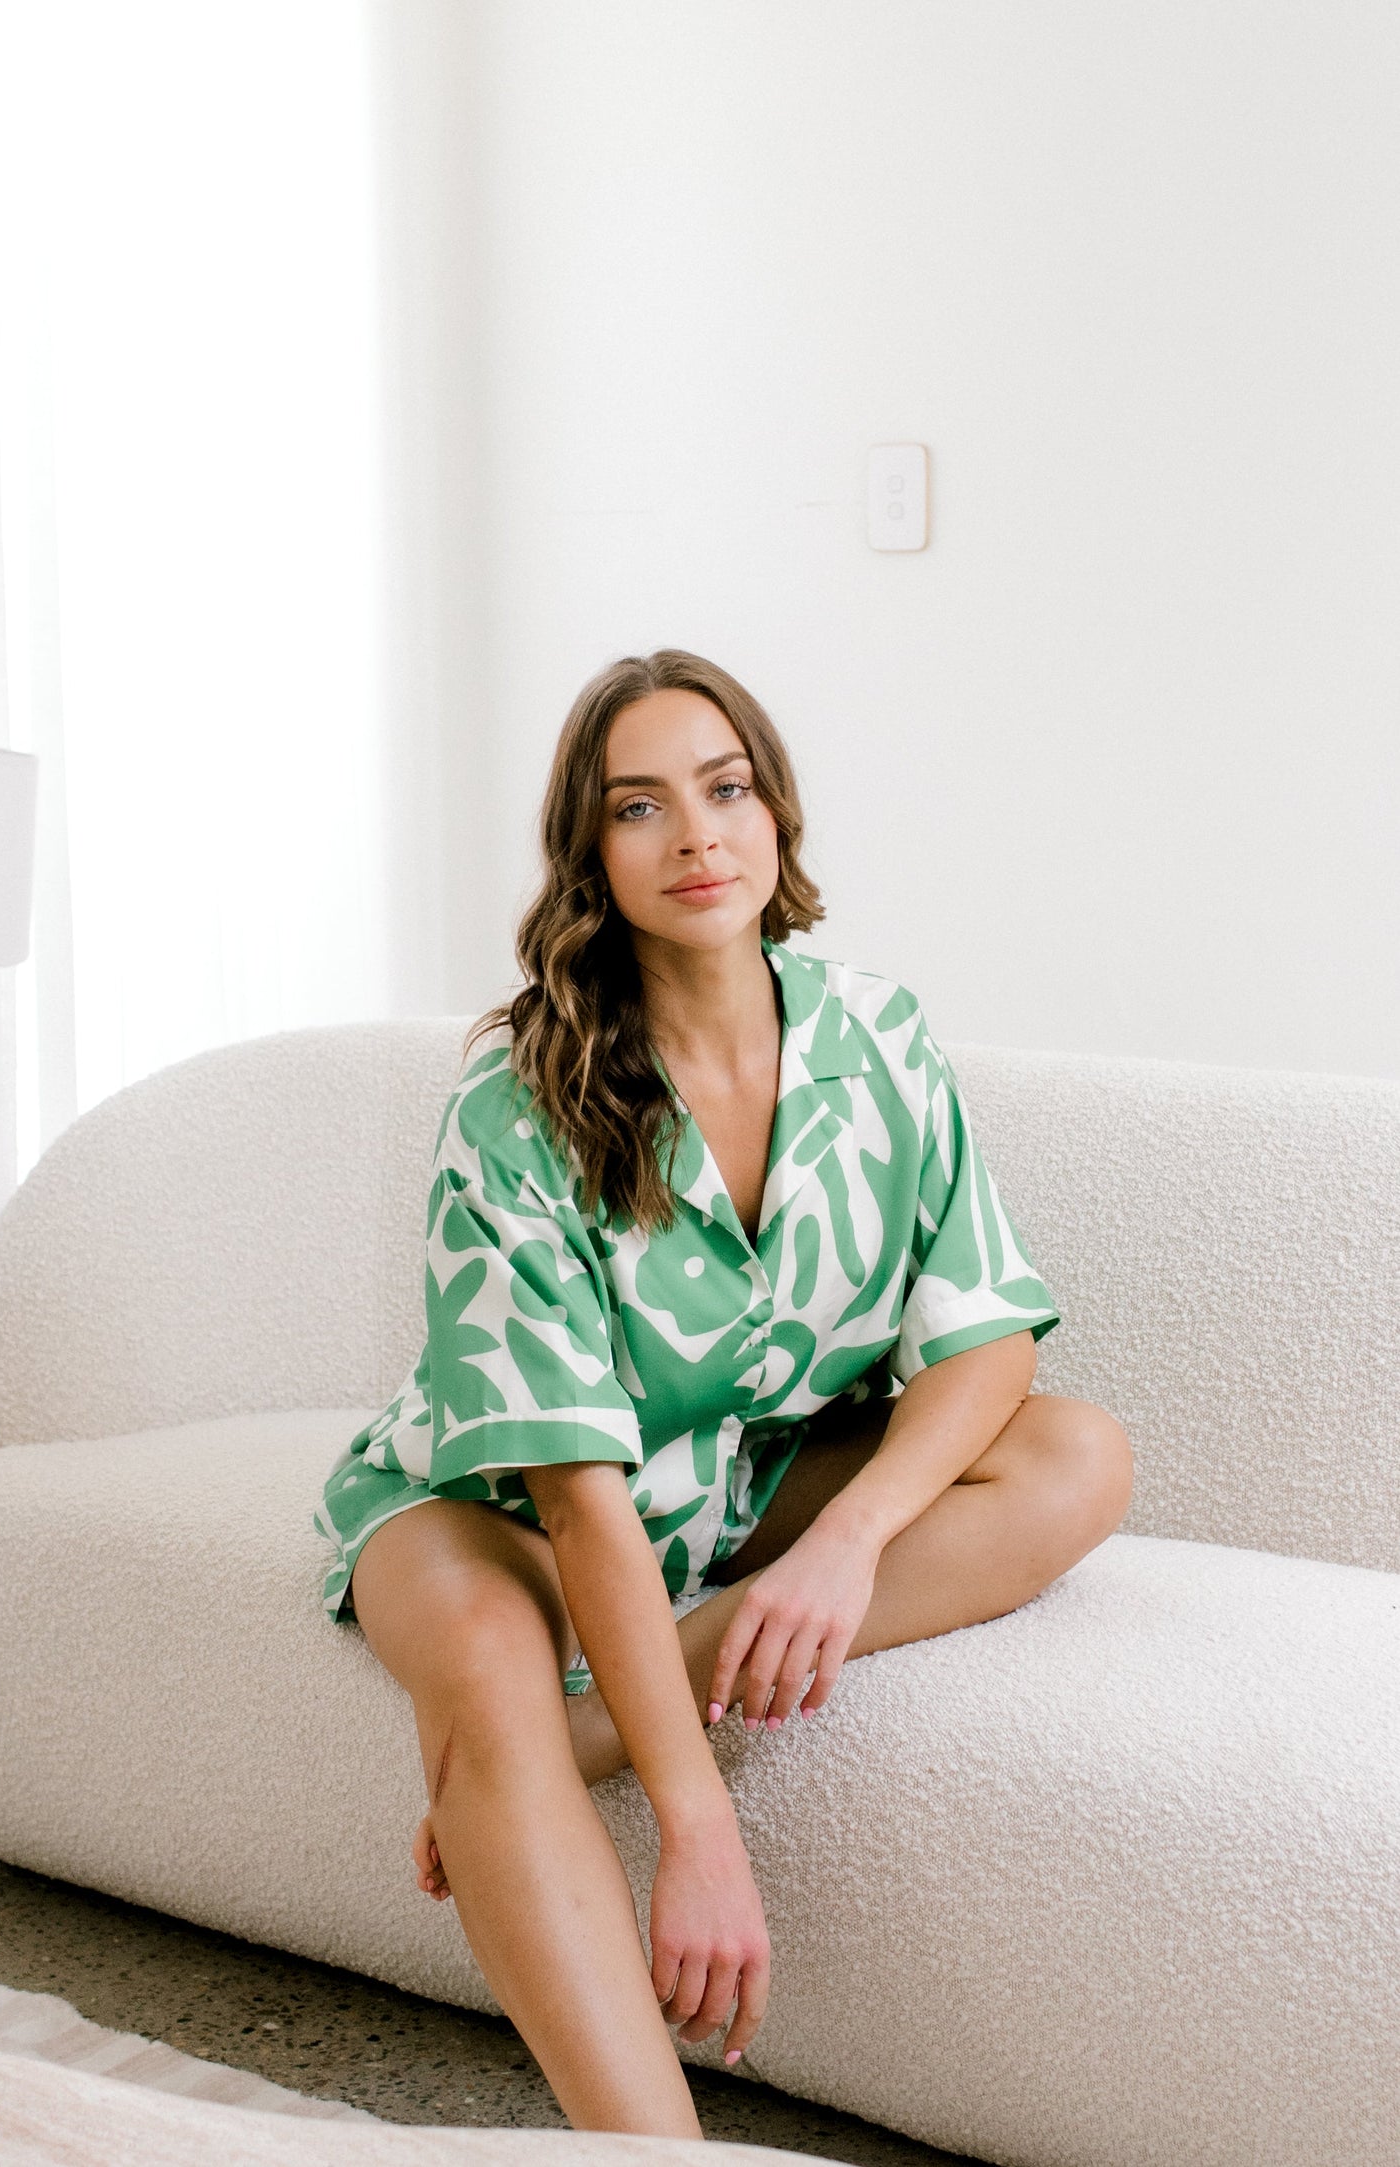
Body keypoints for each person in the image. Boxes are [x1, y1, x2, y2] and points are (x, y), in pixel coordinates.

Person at [312, 647, 1133, 2139]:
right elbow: (577, 1495)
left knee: (1074, 1457)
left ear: (775, 817)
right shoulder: (510, 1111)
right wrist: (698, 1823)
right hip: (488, 1505)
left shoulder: (876, 1037)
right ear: (590, 858)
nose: (694, 834)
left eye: (724, 788)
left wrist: (847, 1540)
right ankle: (651, 2145)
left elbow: (986, 1332)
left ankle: (563, 1753)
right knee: (492, 1681)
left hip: (751, 1485)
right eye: (638, 807)